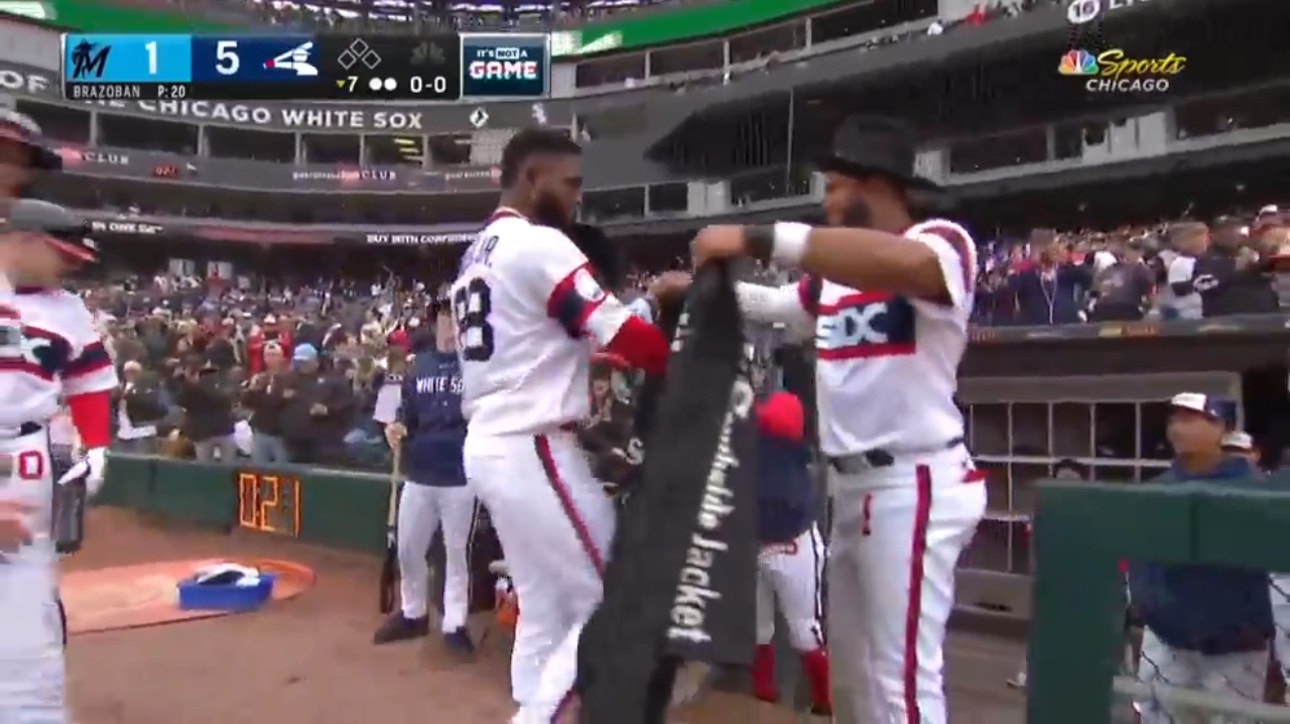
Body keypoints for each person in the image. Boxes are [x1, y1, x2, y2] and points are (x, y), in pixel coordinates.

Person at [659, 115, 986, 723]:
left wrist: (757, 238)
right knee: (858, 677)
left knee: (901, 683)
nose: (827, 200)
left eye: (836, 186)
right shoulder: (836, 276)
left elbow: (904, 266)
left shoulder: (942, 243)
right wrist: (699, 293)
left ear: (876, 184)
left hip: (915, 480)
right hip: (852, 486)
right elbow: (784, 306)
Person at [451, 128, 670, 722]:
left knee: (547, 607)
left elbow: (567, 336)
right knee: (611, 607)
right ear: (531, 178)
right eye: (569, 183)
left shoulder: (476, 252)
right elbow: (633, 341)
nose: (577, 197)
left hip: (496, 444)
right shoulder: (537, 243)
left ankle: (532, 702)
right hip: (535, 444)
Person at [0, 198, 116, 724]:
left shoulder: (67, 309)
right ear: (23, 240)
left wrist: (95, 446)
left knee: (29, 589)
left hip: (27, 454)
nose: (69, 267)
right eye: (62, 255)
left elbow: (88, 383)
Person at [1131, 393, 1272, 723]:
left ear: (1225, 428)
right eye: (1176, 418)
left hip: (1234, 648)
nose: (1181, 427)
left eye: (1195, 418)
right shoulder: (1159, 489)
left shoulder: (1255, 491)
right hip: (1169, 640)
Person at [372, 299, 476, 653]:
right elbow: (406, 415)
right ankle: (413, 612)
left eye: (455, 320)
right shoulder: (420, 366)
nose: (449, 327)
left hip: (461, 475)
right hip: (419, 471)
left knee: (455, 554)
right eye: (444, 321)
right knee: (409, 547)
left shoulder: (477, 365)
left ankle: (455, 623)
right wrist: (396, 427)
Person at [749, 387, 831, 715]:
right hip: (759, 547)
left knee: (803, 632)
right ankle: (762, 693)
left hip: (794, 546)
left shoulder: (787, 456)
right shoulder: (759, 448)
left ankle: (825, 699)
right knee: (759, 628)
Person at [241, 341, 290, 463]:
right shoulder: (260, 377)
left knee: (282, 471)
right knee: (259, 469)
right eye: (267, 355)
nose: (270, 359)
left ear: (282, 358)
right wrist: (252, 390)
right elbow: (247, 402)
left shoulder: (290, 377)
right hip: (261, 431)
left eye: (274, 355)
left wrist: (263, 397)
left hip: (281, 434)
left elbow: (280, 401)